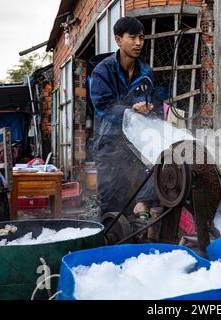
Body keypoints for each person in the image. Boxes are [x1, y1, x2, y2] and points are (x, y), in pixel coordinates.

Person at [90, 17, 163, 218]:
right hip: (110, 143)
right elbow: (103, 105)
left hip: (139, 142)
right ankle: (109, 237)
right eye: (132, 37)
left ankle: (141, 215)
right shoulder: (102, 70)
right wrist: (132, 110)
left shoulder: (146, 72)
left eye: (141, 37)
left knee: (155, 172)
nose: (139, 43)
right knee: (112, 199)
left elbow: (157, 102)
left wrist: (150, 107)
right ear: (118, 40)